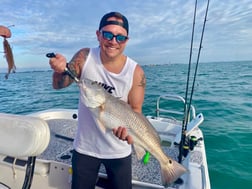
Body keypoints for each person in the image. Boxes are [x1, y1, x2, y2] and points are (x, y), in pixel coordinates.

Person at [49, 12, 146, 189]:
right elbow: (58, 85)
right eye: (108, 34)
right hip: (85, 149)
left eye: (120, 37)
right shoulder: (85, 57)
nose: (113, 41)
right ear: (98, 35)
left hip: (119, 152)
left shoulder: (136, 72)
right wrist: (59, 70)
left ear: (126, 40)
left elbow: (136, 110)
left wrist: (129, 135)